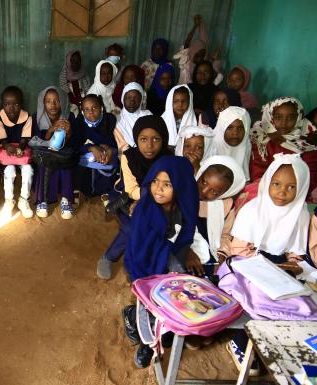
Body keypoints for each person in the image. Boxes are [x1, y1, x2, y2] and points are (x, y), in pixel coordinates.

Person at [227, 154, 310, 374]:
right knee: (260, 299)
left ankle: (280, 347)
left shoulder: (300, 214)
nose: (282, 191)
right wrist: (266, 267)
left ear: (301, 189)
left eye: (292, 187)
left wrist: (294, 264)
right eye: (277, 184)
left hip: (281, 269)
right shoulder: (253, 210)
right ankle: (241, 341)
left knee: (302, 304)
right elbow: (238, 252)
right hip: (247, 265)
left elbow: (297, 254)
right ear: (268, 182)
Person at [124, 156, 200, 367]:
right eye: (155, 181)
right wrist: (166, 265)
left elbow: (185, 237)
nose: (158, 188)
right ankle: (147, 343)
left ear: (180, 185)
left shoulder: (186, 207)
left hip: (170, 260)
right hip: (145, 264)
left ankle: (164, 329)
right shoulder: (145, 210)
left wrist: (179, 258)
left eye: (167, 184)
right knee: (149, 304)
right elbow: (140, 249)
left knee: (173, 298)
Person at [97, 116, 171, 280]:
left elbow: (170, 188)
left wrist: (152, 199)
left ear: (164, 139)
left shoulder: (169, 158)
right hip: (126, 198)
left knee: (158, 227)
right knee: (132, 228)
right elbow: (131, 189)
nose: (149, 145)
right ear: (136, 138)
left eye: (156, 139)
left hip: (158, 200)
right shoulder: (129, 157)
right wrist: (146, 198)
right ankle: (109, 257)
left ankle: (146, 266)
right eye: (143, 139)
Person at [186, 156, 246, 278]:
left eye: (214, 192)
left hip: (210, 254)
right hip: (184, 251)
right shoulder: (182, 195)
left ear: (225, 193)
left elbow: (225, 235)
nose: (204, 191)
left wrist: (222, 254)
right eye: (203, 182)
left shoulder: (226, 205)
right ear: (200, 173)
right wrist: (186, 252)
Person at [250, 97, 317, 195]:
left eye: (290, 118)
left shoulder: (308, 142)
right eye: (278, 117)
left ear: (299, 117)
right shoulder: (262, 139)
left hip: (296, 193)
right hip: (265, 190)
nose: (284, 123)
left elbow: (311, 176)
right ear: (270, 117)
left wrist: (291, 193)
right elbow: (257, 172)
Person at [31, 86, 77, 219]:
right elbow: (35, 141)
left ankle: (66, 199)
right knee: (45, 163)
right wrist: (51, 129)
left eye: (57, 101)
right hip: (44, 155)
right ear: (43, 103)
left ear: (62, 101)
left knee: (66, 164)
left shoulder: (69, 116)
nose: (53, 105)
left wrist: (69, 133)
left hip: (62, 154)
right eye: (48, 101)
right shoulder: (37, 118)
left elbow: (73, 143)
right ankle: (42, 200)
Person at [0, 86, 34, 217]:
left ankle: (23, 199)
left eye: (15, 104)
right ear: (2, 104)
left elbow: (24, 139)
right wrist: (8, 147)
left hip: (20, 149)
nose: (11, 108)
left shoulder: (27, 117)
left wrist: (20, 148)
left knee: (28, 170)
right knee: (9, 171)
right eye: (7, 104)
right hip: (6, 150)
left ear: (21, 104)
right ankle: (9, 201)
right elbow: (3, 141)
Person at [72, 94, 117, 197]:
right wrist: (91, 148)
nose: (91, 112)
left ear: (101, 108)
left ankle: (104, 191)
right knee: (81, 160)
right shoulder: (79, 123)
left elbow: (115, 142)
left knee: (111, 159)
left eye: (94, 108)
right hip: (86, 157)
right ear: (82, 112)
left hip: (107, 155)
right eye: (86, 110)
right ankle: (81, 191)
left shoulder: (110, 120)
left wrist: (110, 150)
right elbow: (75, 145)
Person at [174, 15, 223, 86]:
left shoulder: (206, 66)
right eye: (197, 55)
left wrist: (214, 60)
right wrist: (195, 25)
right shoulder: (186, 62)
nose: (200, 58)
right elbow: (188, 41)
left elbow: (215, 78)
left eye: (202, 55)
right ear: (191, 53)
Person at [206, 106, 251, 180]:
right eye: (230, 127)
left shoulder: (247, 146)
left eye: (240, 128)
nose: (235, 133)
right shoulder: (209, 148)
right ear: (221, 128)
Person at [113, 83, 152, 152]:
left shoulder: (148, 116)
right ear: (123, 99)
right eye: (128, 97)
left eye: (136, 98)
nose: (132, 101)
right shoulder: (116, 120)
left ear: (141, 100)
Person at [59, 50, 90, 115]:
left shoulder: (84, 74)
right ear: (68, 62)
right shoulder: (64, 75)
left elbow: (88, 90)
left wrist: (85, 101)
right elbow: (64, 92)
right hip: (70, 107)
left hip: (85, 104)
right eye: (73, 61)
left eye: (78, 61)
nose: (76, 63)